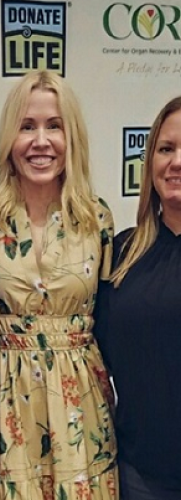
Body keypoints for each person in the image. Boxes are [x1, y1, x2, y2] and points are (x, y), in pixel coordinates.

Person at [0, 70, 118, 499]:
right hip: (5, 403)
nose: (40, 141)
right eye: (27, 127)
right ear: (10, 137)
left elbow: (111, 318)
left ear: (73, 138)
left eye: (54, 126)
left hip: (81, 409)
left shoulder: (96, 218)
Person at [94, 96, 181, 499]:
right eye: (166, 149)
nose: (176, 162)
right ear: (150, 163)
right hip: (140, 477)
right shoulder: (120, 256)